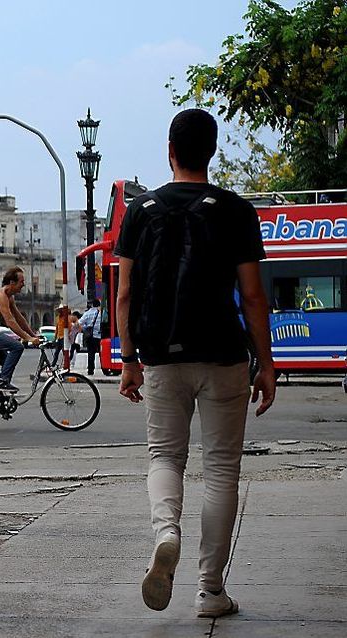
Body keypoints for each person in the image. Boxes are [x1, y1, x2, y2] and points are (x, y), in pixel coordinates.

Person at [115, 108, 276, 618]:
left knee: (165, 457)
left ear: (170, 150)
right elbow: (252, 296)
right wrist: (266, 363)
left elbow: (124, 294)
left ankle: (167, 532)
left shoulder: (140, 210)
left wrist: (129, 359)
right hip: (224, 355)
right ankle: (210, 591)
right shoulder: (235, 210)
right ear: (211, 150)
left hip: (162, 355)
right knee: (223, 468)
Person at [79, 299, 103, 375]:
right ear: (99, 305)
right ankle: (105, 368)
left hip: (91, 336)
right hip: (100, 336)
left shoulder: (87, 313)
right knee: (101, 353)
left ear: (92, 305)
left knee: (91, 353)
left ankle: (90, 370)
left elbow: (80, 323)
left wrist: (86, 327)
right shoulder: (101, 313)